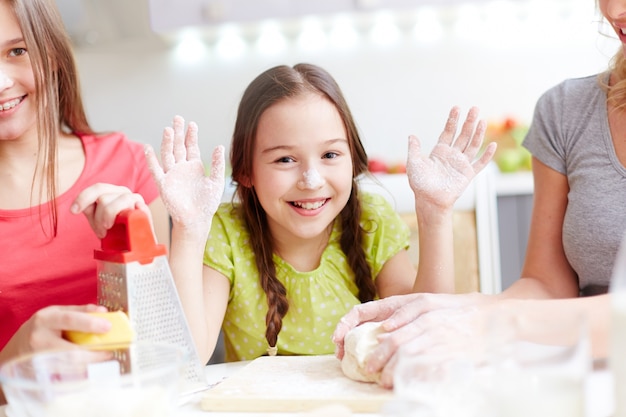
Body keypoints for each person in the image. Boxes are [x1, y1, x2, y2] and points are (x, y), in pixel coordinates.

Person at [332, 0, 625, 388]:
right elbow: (548, 286)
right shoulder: (567, 112)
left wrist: (492, 323)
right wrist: (448, 309)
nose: (615, 9)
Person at [146, 62, 496, 364]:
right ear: (245, 171)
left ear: (353, 158)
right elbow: (188, 357)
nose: (311, 181)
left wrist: (435, 214)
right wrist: (189, 231)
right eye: (285, 159)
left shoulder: (369, 220)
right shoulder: (226, 233)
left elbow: (423, 334)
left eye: (330, 155)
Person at [0, 0, 169, 384]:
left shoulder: (130, 165)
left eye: (17, 50)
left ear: (53, 52)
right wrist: (12, 365)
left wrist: (137, 249)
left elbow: (169, 343)